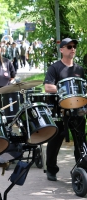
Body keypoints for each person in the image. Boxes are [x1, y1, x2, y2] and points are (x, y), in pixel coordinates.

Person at [44, 38, 86, 181]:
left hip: (78, 110)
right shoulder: (55, 68)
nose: (73, 49)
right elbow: (47, 87)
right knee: (55, 141)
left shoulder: (79, 69)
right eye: (69, 46)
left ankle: (81, 170)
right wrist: (64, 90)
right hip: (59, 110)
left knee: (80, 141)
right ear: (62, 50)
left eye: (74, 46)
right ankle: (51, 169)